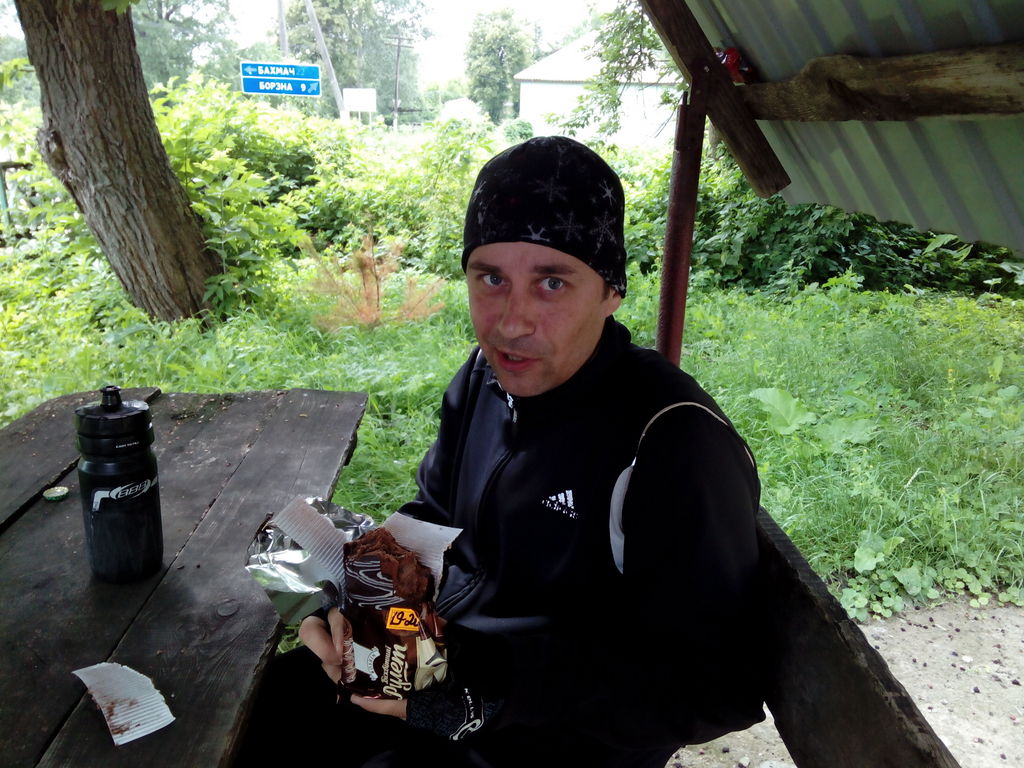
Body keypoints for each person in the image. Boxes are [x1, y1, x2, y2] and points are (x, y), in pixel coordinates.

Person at [238, 136, 765, 767]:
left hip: (551, 741)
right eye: (491, 278)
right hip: (434, 668)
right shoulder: (486, 378)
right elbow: (434, 516)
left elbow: (718, 687)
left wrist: (489, 690)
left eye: (552, 282)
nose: (511, 323)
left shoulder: (672, 442)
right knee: (246, 717)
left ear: (611, 291)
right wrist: (354, 597)